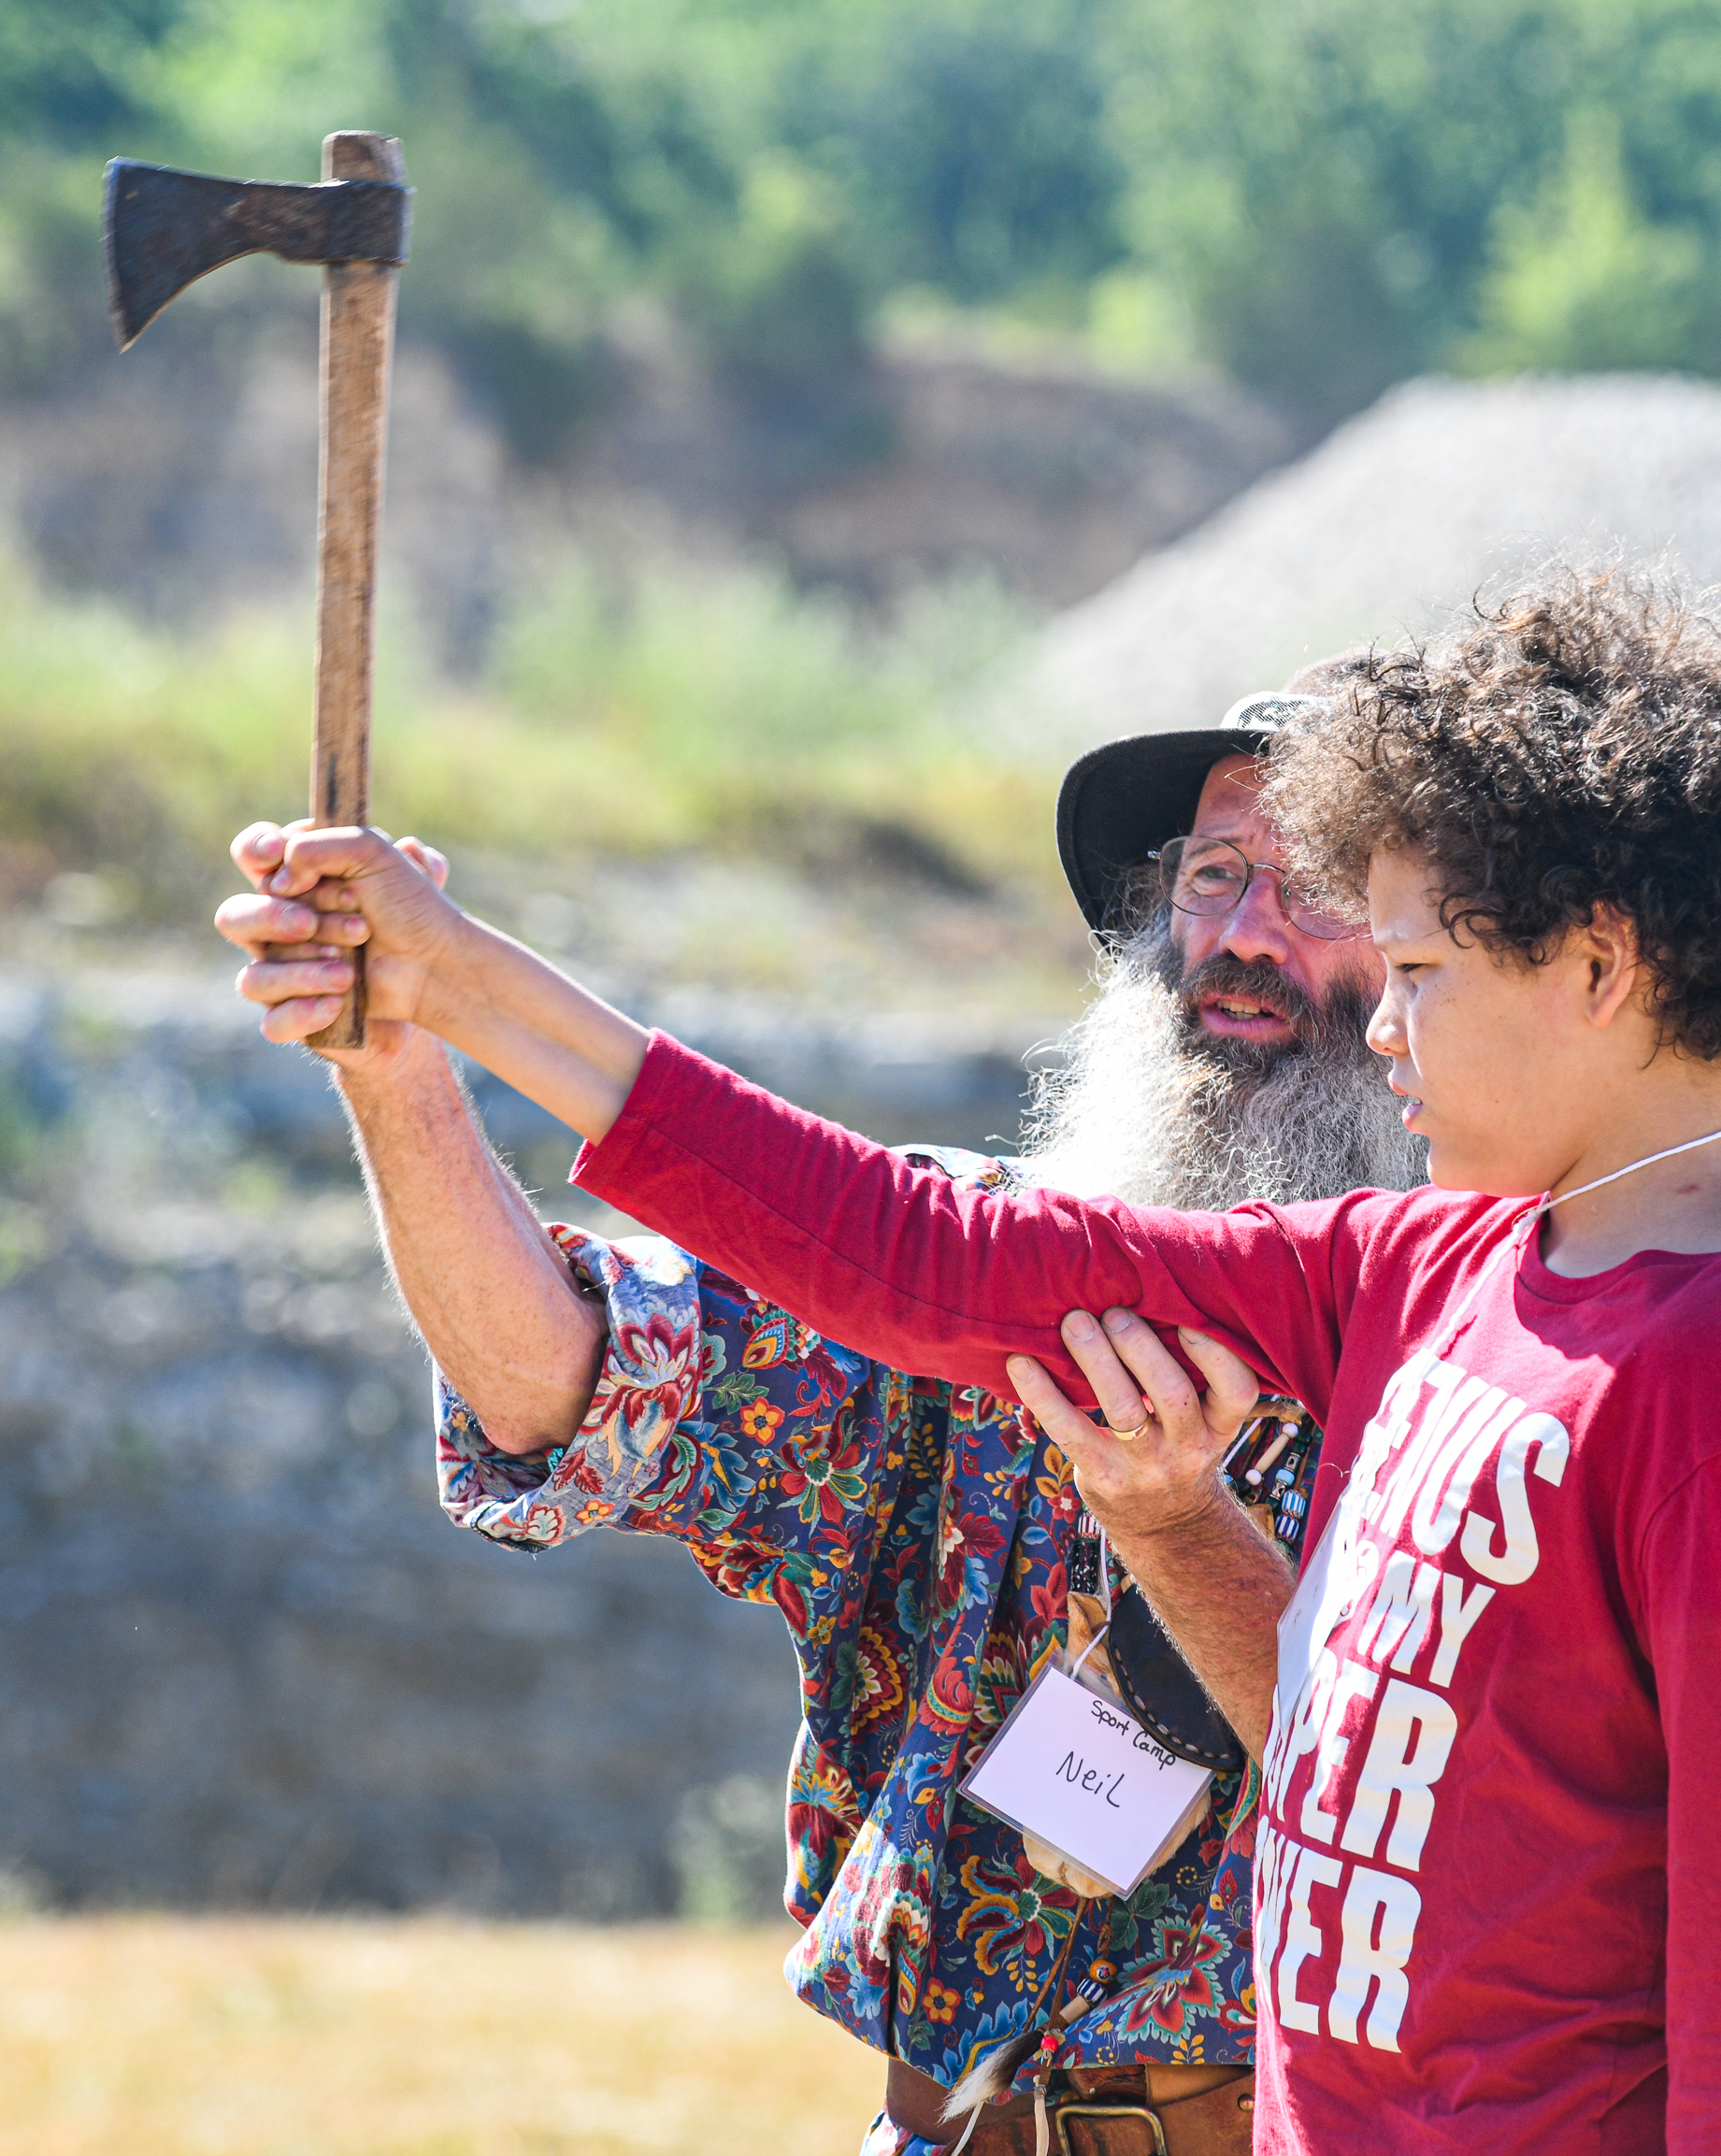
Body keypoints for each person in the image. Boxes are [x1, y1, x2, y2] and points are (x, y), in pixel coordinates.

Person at [222, 566, 1721, 2152]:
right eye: (1211, 882)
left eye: (1398, 958)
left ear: (1598, 966)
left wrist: (1179, 1533)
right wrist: (446, 1001)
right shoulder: (1433, 1265)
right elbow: (906, 1265)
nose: (1358, 1005)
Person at [216, 664, 1419, 2156]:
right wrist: (401, 1068)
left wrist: (1180, 1522)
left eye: (1314, 896)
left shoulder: (1488, 1360)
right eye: (1215, 876)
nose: (1241, 938)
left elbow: (1417, 1796)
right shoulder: (955, 1285)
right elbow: (556, 1383)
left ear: (1437, 960)